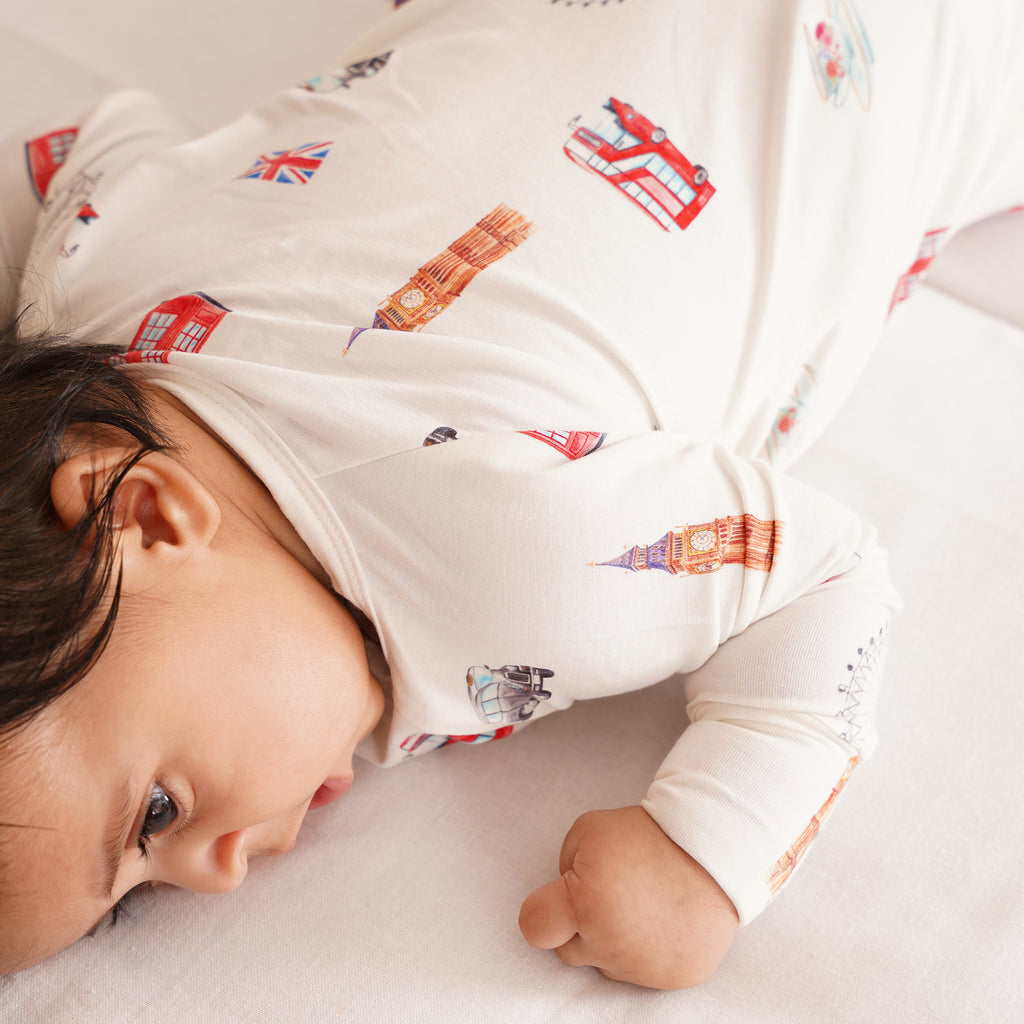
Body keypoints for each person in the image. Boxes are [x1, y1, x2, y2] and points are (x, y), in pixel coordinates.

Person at [0, 0, 1020, 987]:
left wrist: (709, 850)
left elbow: (826, 574)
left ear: (144, 515)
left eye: (157, 816)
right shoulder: (84, 281)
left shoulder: (510, 559)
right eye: (135, 895)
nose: (214, 876)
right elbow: (90, 142)